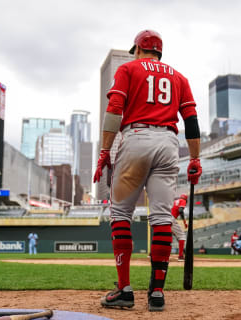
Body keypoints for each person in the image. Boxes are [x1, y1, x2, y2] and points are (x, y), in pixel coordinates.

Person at [93, 29, 202, 312]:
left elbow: (115, 107)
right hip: (168, 143)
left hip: (137, 137)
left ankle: (124, 290)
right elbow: (191, 120)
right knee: (162, 216)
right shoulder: (179, 77)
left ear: (139, 49)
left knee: (119, 213)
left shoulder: (129, 68)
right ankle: (156, 292)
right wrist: (195, 159)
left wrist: (105, 150)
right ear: (159, 52)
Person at [171, 194, 188, 261]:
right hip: (171, 218)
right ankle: (181, 256)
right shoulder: (183, 200)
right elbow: (180, 210)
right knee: (182, 236)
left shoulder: (175, 201)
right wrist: (184, 222)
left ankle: (152, 254)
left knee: (163, 235)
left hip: (164, 217)